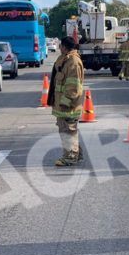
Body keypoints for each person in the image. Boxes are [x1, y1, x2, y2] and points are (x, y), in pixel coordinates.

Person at [48, 37, 85, 167]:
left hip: (68, 105)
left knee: (67, 130)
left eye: (60, 46)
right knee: (67, 129)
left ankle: (70, 157)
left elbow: (73, 86)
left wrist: (65, 102)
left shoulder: (73, 62)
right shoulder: (65, 59)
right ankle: (76, 154)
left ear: (64, 47)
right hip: (62, 104)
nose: (59, 48)